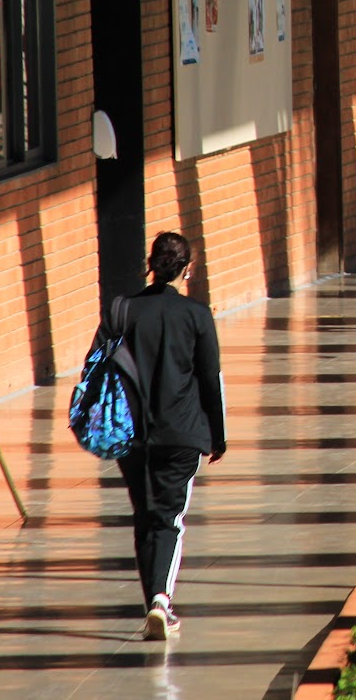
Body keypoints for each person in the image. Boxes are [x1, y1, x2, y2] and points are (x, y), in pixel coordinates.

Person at [116, 231, 226, 642]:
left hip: (132, 435)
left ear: (151, 264)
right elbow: (209, 379)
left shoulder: (123, 310)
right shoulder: (197, 316)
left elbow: (101, 369)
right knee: (169, 519)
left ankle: (154, 604)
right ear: (187, 269)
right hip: (181, 433)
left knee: (145, 517)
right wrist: (218, 435)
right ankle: (161, 601)